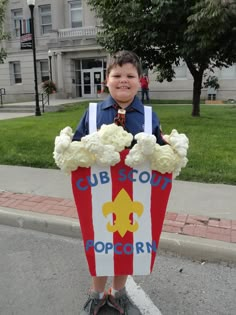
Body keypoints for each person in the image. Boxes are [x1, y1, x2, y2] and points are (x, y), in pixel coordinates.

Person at [72, 50, 166, 315]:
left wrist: (168, 147)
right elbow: (78, 146)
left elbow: (158, 151)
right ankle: (97, 292)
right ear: (107, 79)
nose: (123, 80)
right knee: (99, 240)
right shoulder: (92, 112)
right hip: (99, 194)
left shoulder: (149, 116)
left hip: (135, 197)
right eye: (117, 75)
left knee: (128, 242)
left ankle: (119, 291)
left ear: (140, 80)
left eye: (130, 75)